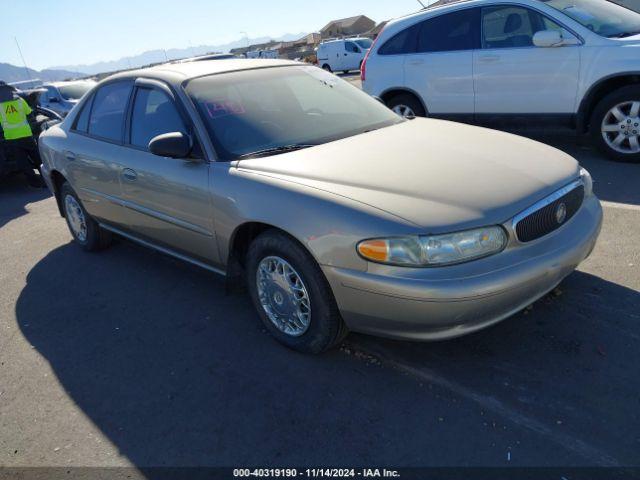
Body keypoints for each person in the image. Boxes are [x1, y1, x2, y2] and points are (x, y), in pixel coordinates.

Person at [0, 81, 45, 187]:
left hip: (11, 138)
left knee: (23, 163)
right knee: (37, 158)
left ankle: (34, 183)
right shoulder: (20, 100)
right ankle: (46, 179)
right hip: (26, 135)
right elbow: (30, 113)